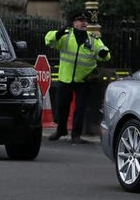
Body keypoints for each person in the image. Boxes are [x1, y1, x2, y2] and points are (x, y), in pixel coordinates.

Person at [45, 13, 111, 143]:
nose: (84, 23)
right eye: (80, 20)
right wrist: (58, 33)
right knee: (62, 106)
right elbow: (49, 40)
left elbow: (103, 51)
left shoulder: (92, 39)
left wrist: (104, 52)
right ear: (74, 23)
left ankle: (76, 134)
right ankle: (61, 130)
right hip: (66, 78)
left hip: (84, 80)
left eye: (85, 21)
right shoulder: (66, 36)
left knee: (80, 108)